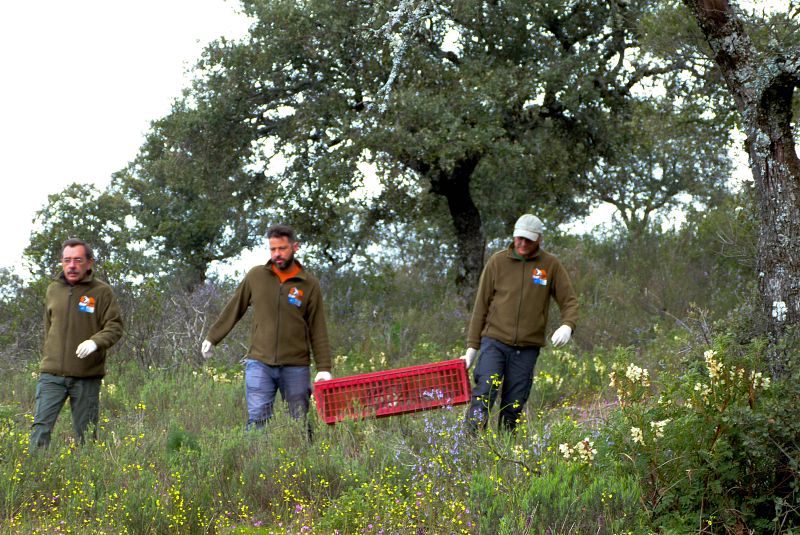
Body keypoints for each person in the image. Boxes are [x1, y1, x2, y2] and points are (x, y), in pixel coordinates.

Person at [201, 225, 332, 433]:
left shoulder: (309, 284)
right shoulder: (256, 276)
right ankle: (252, 461)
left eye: (282, 248)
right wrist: (213, 337)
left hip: (296, 365)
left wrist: (324, 367)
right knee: (257, 420)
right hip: (259, 363)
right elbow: (234, 307)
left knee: (299, 421)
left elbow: (318, 327)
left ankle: (303, 460)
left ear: (295, 247)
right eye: (272, 249)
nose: (277, 254)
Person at [460, 214, 578, 432]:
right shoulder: (497, 262)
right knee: (484, 392)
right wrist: (472, 348)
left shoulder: (550, 265)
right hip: (494, 342)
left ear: (539, 239)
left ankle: (506, 452)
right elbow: (480, 307)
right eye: (519, 238)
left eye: (528, 239)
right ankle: (470, 448)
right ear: (514, 236)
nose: (522, 243)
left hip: (526, 348)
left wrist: (567, 325)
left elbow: (569, 301)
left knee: (514, 403)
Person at [30, 238, 124, 450]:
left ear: (89, 263)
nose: (71, 265)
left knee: (86, 434)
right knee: (40, 428)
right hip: (51, 375)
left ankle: (87, 477)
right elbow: (49, 327)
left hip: (86, 375)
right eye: (67, 260)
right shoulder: (53, 289)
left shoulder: (102, 292)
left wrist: (95, 342)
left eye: (78, 260)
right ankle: (33, 476)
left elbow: (115, 327)